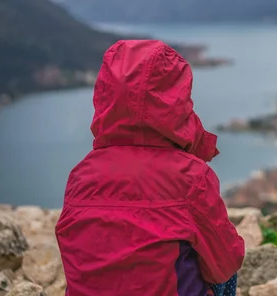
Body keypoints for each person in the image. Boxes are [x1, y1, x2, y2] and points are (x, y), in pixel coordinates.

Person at [55, 40, 245, 296]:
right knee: (220, 260)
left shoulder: (80, 176)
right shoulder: (191, 177)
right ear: (177, 101)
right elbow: (225, 264)